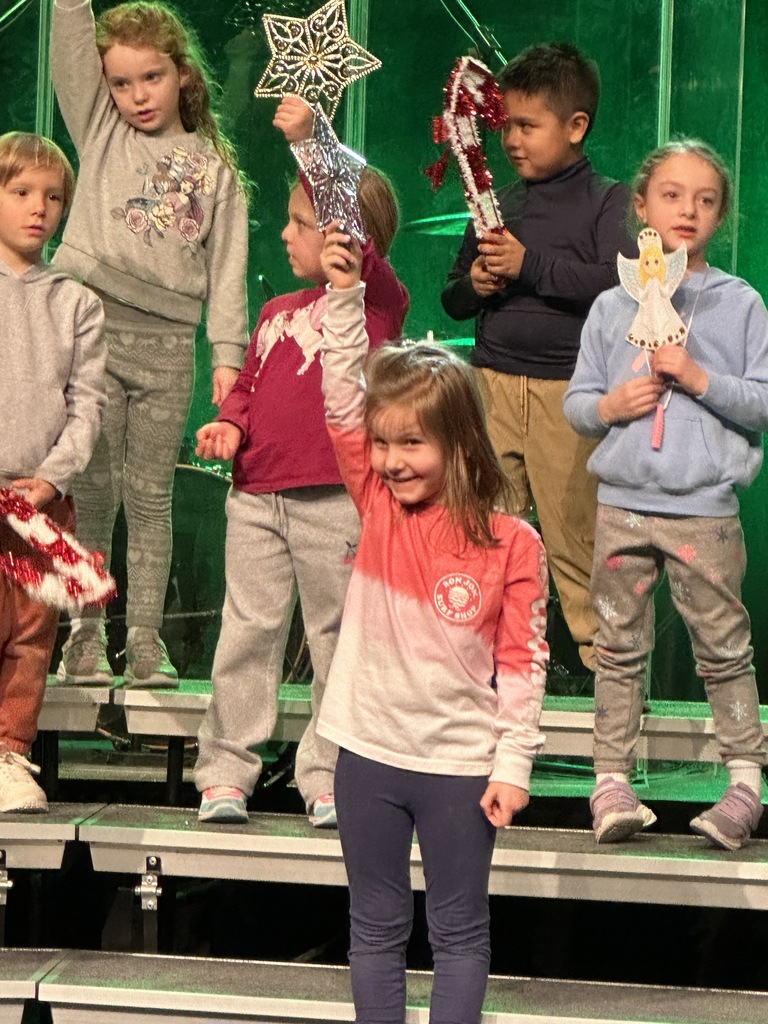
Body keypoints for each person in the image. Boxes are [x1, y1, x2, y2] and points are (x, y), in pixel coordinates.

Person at [317, 226, 549, 1023]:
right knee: (375, 927)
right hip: (367, 754)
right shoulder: (378, 507)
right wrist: (344, 295)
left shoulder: (512, 543)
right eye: (383, 444)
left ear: (460, 442)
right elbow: (342, 398)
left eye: (412, 442)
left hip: (459, 765)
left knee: (457, 932)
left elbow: (523, 664)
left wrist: (512, 764)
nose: (391, 461)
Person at [192, 102, 409, 826]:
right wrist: (229, 424)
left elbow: (350, 224)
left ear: (347, 237)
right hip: (256, 497)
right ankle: (226, 772)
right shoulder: (277, 310)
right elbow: (249, 387)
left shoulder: (376, 302)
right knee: (246, 633)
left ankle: (329, 776)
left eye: (301, 223)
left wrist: (313, 142)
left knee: (335, 640)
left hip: (334, 501)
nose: (285, 234)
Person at [564, 140, 768, 850]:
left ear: (721, 215)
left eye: (706, 200)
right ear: (642, 207)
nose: (689, 209)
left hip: (703, 509)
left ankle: (744, 784)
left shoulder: (739, 304)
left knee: (723, 646)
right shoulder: (609, 306)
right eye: (673, 195)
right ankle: (611, 782)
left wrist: (700, 377)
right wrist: (611, 406)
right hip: (623, 504)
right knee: (618, 646)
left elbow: (762, 401)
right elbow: (578, 404)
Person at [50, 0, 249, 688]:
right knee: (94, 492)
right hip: (95, 333)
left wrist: (228, 357)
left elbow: (227, 272)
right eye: (121, 82)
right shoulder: (100, 131)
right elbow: (69, 50)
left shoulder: (215, 171)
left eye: (151, 77)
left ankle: (143, 640)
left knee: (151, 496)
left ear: (182, 74)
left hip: (169, 348)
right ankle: (84, 637)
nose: (136, 95)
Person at [442, 42, 634, 675]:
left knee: (576, 545)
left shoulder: (608, 200)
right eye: (505, 127)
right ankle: (485, 676)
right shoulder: (496, 203)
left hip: (569, 395)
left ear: (576, 126)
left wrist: (531, 267)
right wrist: (478, 284)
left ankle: (612, 684)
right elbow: (452, 298)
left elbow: (620, 281)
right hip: (493, 388)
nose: (512, 141)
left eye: (528, 126)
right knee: (486, 537)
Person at [0, 132, 106, 812]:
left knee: (31, 633)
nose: (39, 208)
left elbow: (86, 404)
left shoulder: (76, 302)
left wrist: (54, 477)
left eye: (53, 197)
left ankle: (9, 753)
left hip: (40, 499)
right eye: (20, 192)